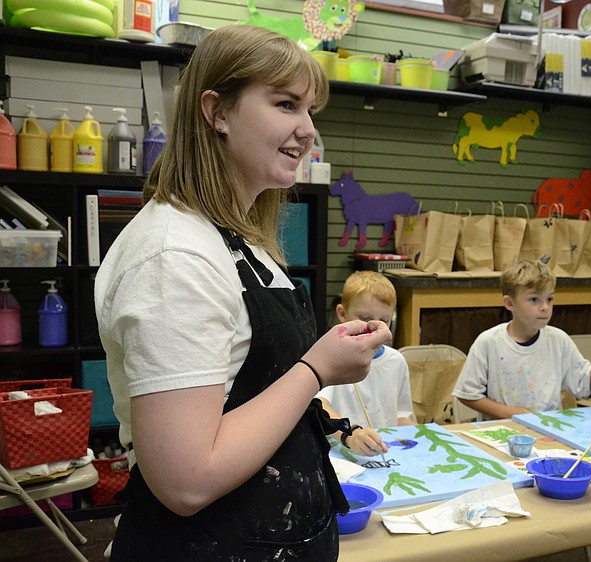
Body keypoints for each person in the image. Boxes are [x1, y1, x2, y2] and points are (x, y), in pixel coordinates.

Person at [94, 25, 393, 561]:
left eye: (310, 112)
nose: (307, 131)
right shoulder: (175, 257)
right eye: (285, 104)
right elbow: (187, 480)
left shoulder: (237, 240)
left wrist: (322, 362)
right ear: (218, 112)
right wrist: (317, 369)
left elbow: (255, 391)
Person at [452, 260, 591, 420]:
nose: (545, 307)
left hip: (548, 430)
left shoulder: (558, 340)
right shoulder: (488, 342)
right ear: (509, 303)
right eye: (534, 299)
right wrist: (512, 414)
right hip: (502, 432)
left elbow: (584, 385)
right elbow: (467, 394)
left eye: (549, 299)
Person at [317, 271, 415, 457]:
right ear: (342, 314)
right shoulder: (332, 359)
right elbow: (321, 407)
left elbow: (400, 417)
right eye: (364, 318)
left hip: (384, 455)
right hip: (341, 456)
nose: (374, 328)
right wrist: (350, 434)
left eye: (384, 320)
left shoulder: (397, 361)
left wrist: (432, 435)